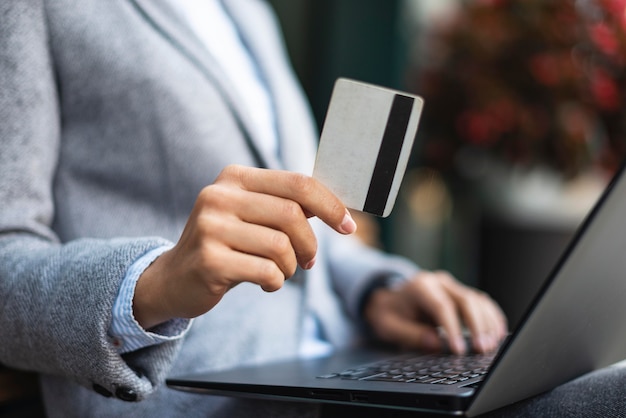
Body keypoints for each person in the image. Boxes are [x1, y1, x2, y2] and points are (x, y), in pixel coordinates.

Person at [10, 0, 617, 417]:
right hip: (201, 397)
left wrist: (379, 288)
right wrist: (154, 282)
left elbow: (292, 221)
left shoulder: (244, 12)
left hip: (344, 373)